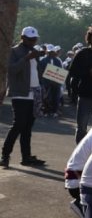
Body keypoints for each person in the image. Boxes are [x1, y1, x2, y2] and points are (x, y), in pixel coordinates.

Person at [2, 27, 46, 168]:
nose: (33, 42)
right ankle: (5, 155)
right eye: (30, 39)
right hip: (20, 93)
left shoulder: (34, 52)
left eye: (35, 39)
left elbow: (37, 72)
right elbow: (12, 69)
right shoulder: (15, 51)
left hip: (34, 93)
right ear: (23, 37)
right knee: (18, 125)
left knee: (27, 127)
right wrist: (27, 58)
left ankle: (26, 157)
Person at [38, 44, 63, 117]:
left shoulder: (58, 60)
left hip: (56, 83)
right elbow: (40, 72)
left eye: (52, 52)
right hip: (46, 82)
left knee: (56, 97)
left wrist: (58, 80)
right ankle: (46, 111)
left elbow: (60, 71)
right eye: (49, 52)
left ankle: (54, 111)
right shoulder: (43, 60)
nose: (51, 53)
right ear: (47, 52)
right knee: (45, 97)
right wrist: (42, 82)